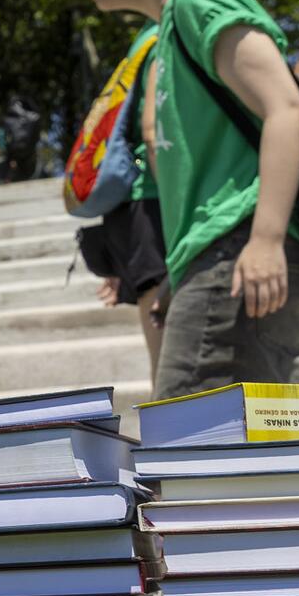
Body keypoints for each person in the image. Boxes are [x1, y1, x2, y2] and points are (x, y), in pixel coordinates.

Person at [39, 0, 299, 399]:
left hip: (240, 253)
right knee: (234, 445)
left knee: (185, 435)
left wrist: (265, 240)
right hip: (218, 257)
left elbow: (286, 108)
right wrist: (180, 275)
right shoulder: (167, 32)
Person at [79, 22, 169, 385]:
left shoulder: (143, 40)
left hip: (131, 204)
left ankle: (166, 402)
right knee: (165, 346)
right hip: (153, 195)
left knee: (160, 351)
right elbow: (152, 131)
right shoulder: (166, 34)